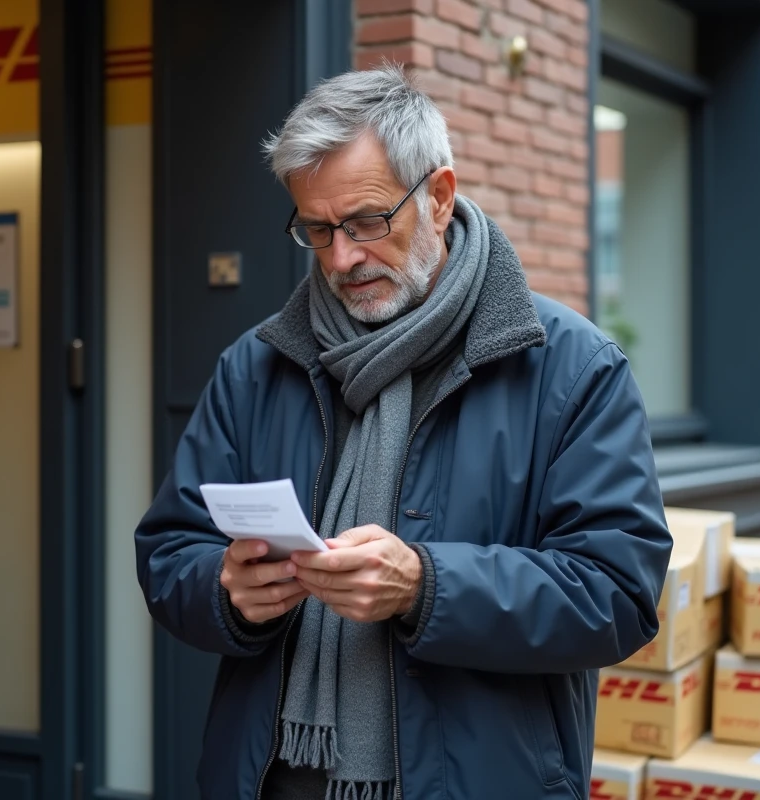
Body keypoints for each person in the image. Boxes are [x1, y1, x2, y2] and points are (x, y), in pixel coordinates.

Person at [134, 65, 672, 800]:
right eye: (317, 231)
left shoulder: (571, 369)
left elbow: (618, 593)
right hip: (271, 780)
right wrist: (225, 591)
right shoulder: (255, 367)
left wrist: (426, 585)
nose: (343, 258)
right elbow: (169, 553)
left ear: (440, 197)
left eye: (366, 222)